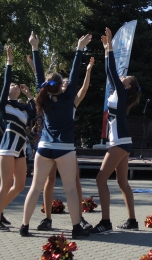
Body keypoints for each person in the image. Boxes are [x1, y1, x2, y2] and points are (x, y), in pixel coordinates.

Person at [20, 31, 91, 239]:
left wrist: (35, 47)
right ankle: (76, 228)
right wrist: (79, 49)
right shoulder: (69, 98)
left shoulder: (43, 97)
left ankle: (24, 226)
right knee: (70, 189)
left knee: (35, 188)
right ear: (62, 85)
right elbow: (75, 73)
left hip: (44, 147)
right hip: (65, 148)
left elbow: (39, 77)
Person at [91, 28, 142, 235]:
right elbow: (109, 72)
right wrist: (106, 50)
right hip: (122, 140)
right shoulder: (119, 92)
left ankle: (105, 221)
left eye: (125, 78)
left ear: (128, 87)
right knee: (122, 182)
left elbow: (112, 71)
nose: (122, 78)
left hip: (119, 141)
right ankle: (132, 220)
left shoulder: (122, 93)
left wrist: (110, 47)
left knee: (100, 179)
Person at [37, 57, 95, 233]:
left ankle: (79, 218)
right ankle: (47, 218)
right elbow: (41, 84)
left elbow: (84, 89)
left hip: (66, 147)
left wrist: (88, 71)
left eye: (67, 83)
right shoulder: (50, 99)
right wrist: (34, 65)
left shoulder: (71, 101)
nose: (65, 84)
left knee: (74, 181)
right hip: (51, 144)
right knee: (50, 180)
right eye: (63, 82)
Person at [0, 46, 35, 231]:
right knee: (5, 184)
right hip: (8, 145)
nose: (15, 85)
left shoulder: (23, 107)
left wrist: (29, 95)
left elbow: (34, 112)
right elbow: (6, 82)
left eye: (17, 85)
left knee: (20, 185)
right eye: (12, 85)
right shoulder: (5, 104)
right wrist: (9, 61)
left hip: (21, 147)